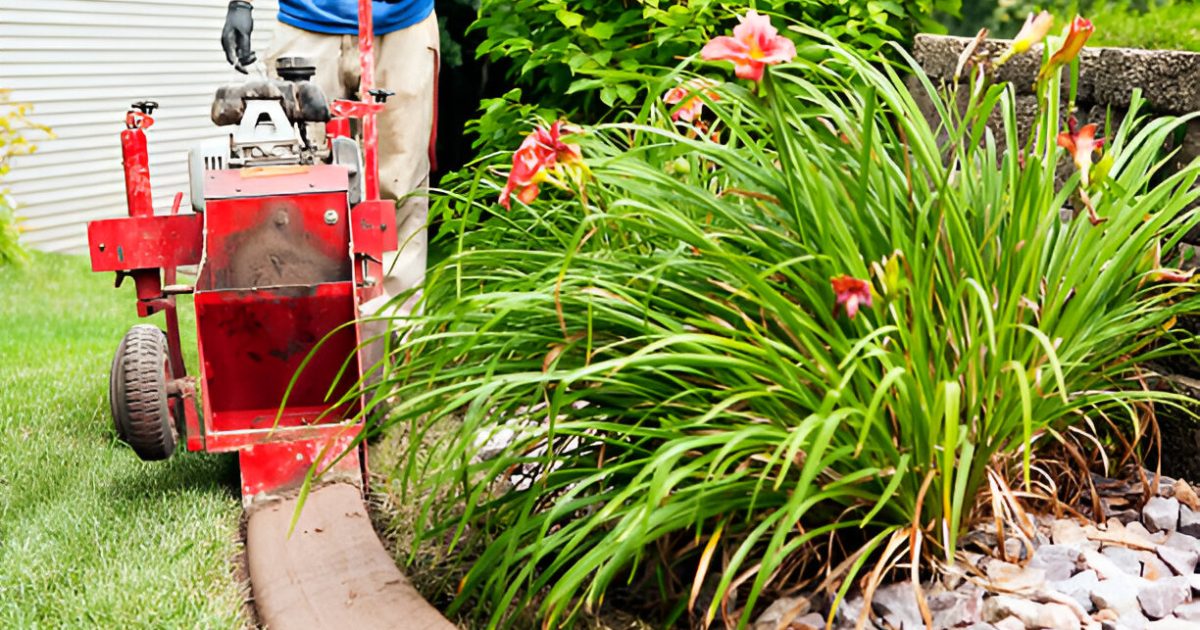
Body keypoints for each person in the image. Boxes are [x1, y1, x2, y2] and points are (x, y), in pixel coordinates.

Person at [221, 0, 438, 318]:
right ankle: (302, 334)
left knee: (398, 187)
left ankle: (393, 342)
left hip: (403, 25)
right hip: (306, 22)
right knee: (290, 186)